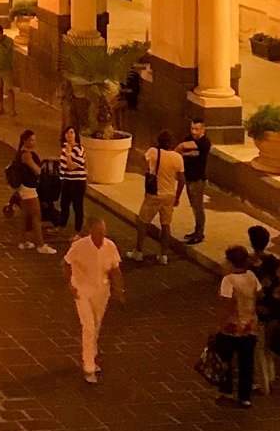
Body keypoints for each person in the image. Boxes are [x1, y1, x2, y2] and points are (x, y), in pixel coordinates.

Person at [64, 217, 124, 383]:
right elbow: (66, 263)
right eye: (98, 230)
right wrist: (70, 283)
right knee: (88, 326)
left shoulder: (110, 246)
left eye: (104, 230)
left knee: (96, 324)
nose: (102, 233)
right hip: (82, 290)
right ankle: (89, 365)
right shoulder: (79, 246)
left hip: (101, 291)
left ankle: (92, 354)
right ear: (90, 231)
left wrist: (119, 290)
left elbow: (115, 269)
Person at [214, 245, 260, 409]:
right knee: (246, 362)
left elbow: (226, 303)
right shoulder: (252, 276)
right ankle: (245, 396)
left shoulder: (228, 280)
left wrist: (220, 324)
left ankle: (226, 389)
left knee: (225, 359)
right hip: (250, 325)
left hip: (231, 327)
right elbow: (258, 294)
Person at [133, 130, 185, 264]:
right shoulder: (177, 158)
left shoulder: (153, 152)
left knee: (143, 222)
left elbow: (141, 159)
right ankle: (163, 255)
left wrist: (151, 169)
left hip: (154, 194)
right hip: (169, 195)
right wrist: (177, 197)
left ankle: (138, 251)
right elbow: (182, 180)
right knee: (166, 225)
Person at [248, 224, 280, 395]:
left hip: (259, 308)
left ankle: (263, 383)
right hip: (275, 307)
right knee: (269, 347)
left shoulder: (249, 265)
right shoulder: (275, 262)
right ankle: (271, 376)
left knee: (259, 347)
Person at [12, 128, 55, 253]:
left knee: (25, 216)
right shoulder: (26, 155)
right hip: (29, 189)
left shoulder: (20, 153)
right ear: (25, 140)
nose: (33, 142)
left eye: (34, 140)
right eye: (31, 140)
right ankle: (41, 245)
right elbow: (36, 170)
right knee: (36, 216)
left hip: (23, 189)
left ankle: (22, 241)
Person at [179, 118, 210, 244]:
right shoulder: (189, 138)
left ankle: (199, 233)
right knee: (194, 206)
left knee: (198, 208)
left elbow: (181, 148)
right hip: (189, 178)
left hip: (198, 180)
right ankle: (197, 230)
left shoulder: (204, 142)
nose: (193, 132)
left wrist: (184, 153)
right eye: (192, 128)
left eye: (196, 129)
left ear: (203, 129)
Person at [58, 124, 87, 232]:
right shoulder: (65, 148)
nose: (69, 135)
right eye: (67, 132)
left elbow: (71, 166)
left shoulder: (79, 149)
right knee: (64, 204)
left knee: (77, 206)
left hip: (77, 182)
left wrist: (69, 153)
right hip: (67, 181)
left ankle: (77, 231)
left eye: (72, 132)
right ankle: (61, 226)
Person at [0, 22, 16, 117]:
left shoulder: (9, 41)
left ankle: (12, 109)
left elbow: (7, 51)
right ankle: (0, 107)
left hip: (6, 69)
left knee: (9, 89)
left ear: (1, 32)